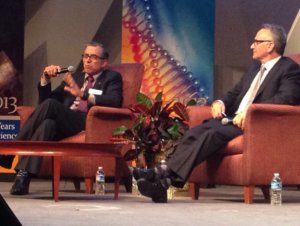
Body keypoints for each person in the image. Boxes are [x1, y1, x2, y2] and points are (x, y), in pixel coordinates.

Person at [134, 23, 300, 203]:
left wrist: (250, 113)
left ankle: (160, 175)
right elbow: (235, 93)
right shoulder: (254, 69)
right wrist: (219, 102)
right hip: (232, 120)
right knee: (195, 132)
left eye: (257, 41)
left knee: (212, 135)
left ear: (270, 45)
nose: (252, 45)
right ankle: (163, 182)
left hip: (256, 125)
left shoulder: (289, 69)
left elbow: (287, 99)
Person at [0, 41, 123, 195]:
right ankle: (23, 178)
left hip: (86, 122)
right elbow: (45, 103)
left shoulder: (111, 77)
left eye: (93, 57)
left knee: (51, 107)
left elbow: (114, 100)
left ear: (104, 62)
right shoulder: (75, 76)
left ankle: (10, 152)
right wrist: (45, 79)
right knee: (47, 124)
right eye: (85, 56)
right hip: (64, 123)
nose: (87, 60)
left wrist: (83, 95)